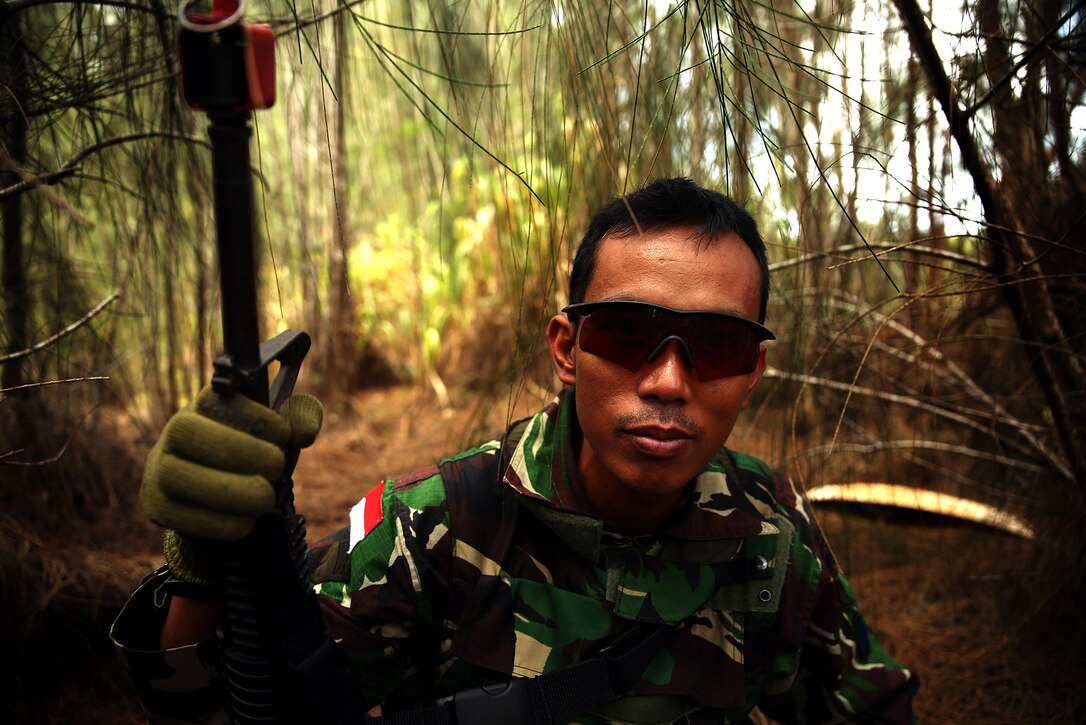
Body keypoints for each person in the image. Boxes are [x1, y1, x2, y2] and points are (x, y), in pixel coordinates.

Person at [112, 177, 918, 723]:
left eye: (717, 344)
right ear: (566, 349)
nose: (670, 379)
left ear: (754, 374)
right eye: (629, 333)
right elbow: (247, 702)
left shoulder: (772, 529)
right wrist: (206, 563)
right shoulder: (436, 521)